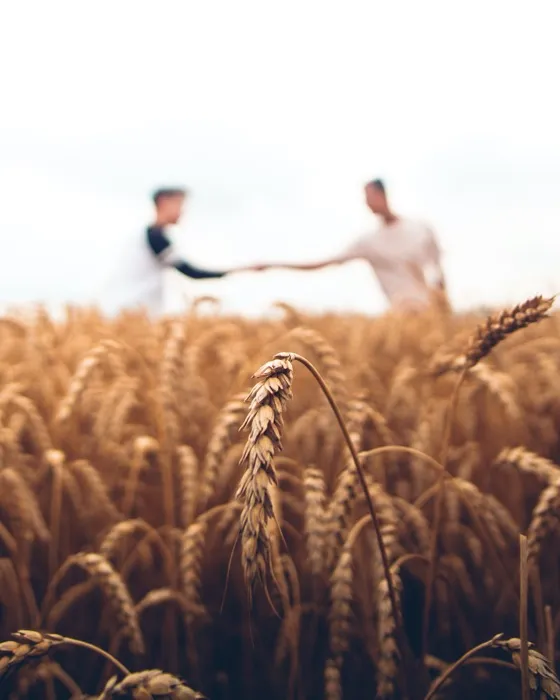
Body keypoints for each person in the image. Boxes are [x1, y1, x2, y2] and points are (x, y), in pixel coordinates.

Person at [253, 179, 447, 312]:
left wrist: (444, 306)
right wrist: (274, 264)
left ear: (382, 194)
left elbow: (438, 272)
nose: (366, 203)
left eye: (369, 196)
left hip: (432, 314)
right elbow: (323, 262)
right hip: (402, 317)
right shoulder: (368, 242)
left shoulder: (421, 228)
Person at [101, 186, 257, 316]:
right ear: (163, 202)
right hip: (133, 310)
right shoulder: (156, 237)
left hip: (131, 309)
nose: (182, 211)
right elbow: (190, 272)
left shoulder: (148, 235)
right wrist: (241, 270)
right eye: (179, 204)